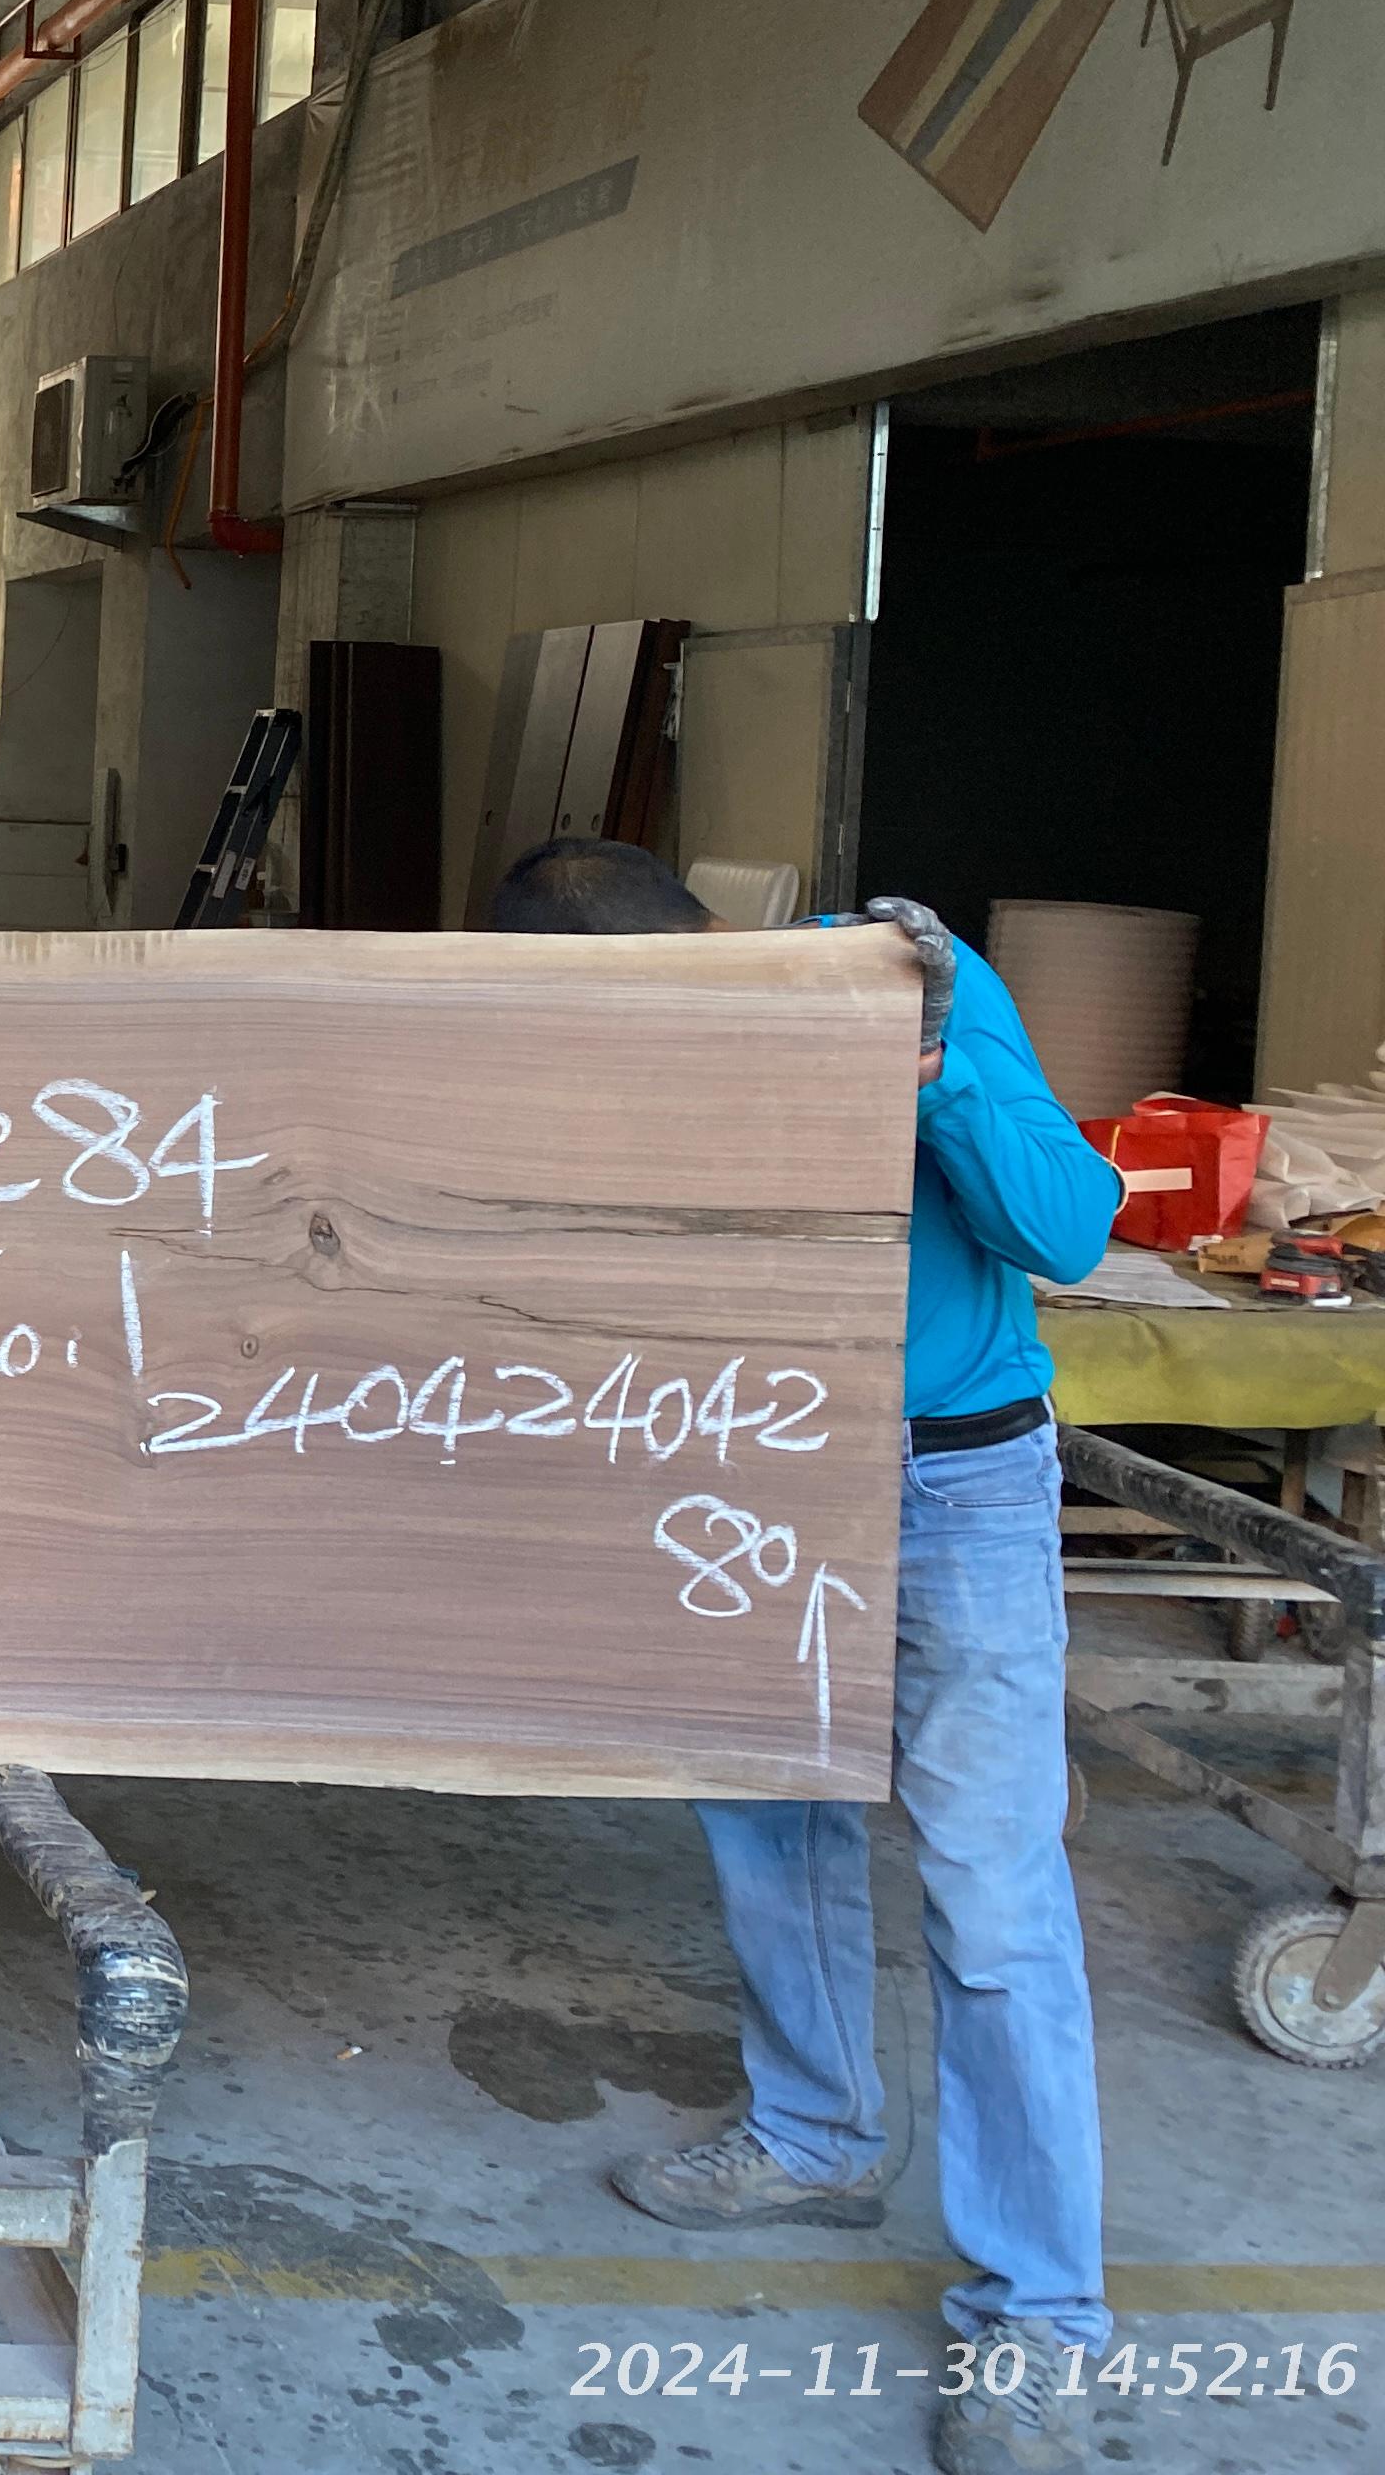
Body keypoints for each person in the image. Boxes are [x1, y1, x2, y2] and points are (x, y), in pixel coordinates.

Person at [489, 836, 1121, 2475]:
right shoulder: (610, 1057)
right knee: (769, 1826)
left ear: (690, 956)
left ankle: (1042, 2317)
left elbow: (1069, 1230)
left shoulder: (902, 982)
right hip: (746, 1466)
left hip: (953, 1478)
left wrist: (930, 1073)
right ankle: (817, 2133)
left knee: (989, 1886)